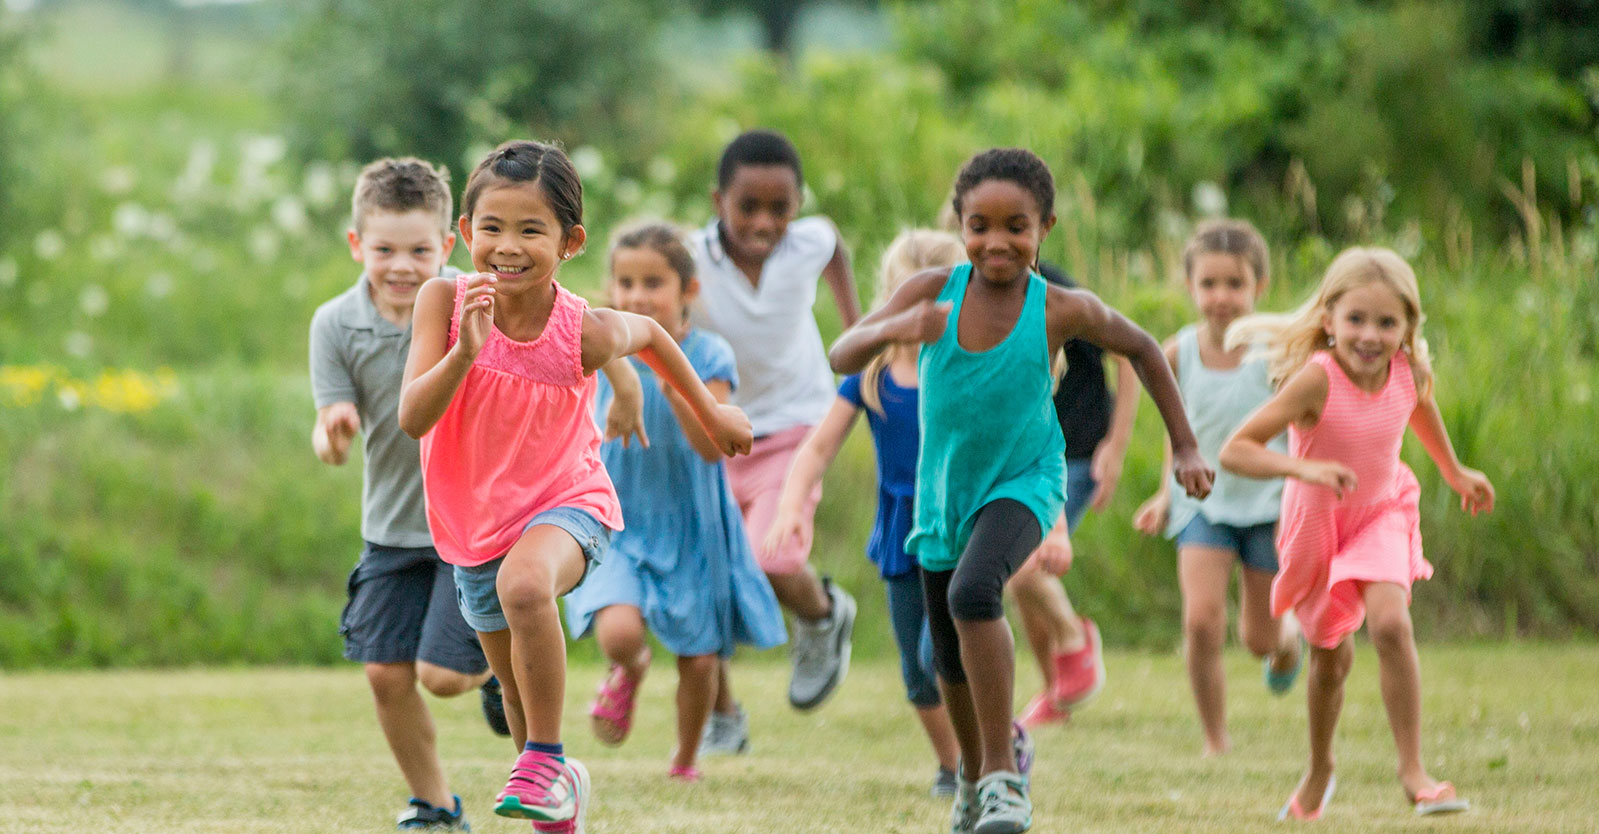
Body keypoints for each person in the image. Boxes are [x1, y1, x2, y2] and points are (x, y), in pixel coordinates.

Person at [829, 148, 1212, 834]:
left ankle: (1005, 776)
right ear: (959, 223)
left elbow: (1145, 349)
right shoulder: (929, 292)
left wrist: (1183, 444)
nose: (996, 241)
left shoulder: (1060, 308)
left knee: (973, 592)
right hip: (943, 492)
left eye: (1016, 226)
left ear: (1046, 228)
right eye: (979, 225)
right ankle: (973, 781)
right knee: (945, 649)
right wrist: (895, 328)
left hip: (1025, 480)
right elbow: (842, 355)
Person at [398, 141, 753, 832]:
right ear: (466, 232)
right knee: (515, 698)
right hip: (471, 522)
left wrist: (711, 412)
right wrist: (464, 352)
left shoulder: (578, 331)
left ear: (570, 242)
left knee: (525, 586)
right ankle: (556, 800)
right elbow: (414, 416)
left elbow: (649, 332)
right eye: (492, 228)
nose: (508, 246)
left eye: (531, 230)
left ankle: (551, 757)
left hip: (569, 503)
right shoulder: (442, 301)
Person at [1219, 247, 1494, 820]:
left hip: (1382, 511)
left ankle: (1414, 772)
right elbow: (1235, 449)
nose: (1370, 335)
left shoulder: (1409, 372)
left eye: (1387, 323)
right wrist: (1303, 468)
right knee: (1331, 664)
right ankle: (1320, 768)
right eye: (1356, 320)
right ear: (1329, 320)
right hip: (1318, 528)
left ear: (1407, 327)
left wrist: (1455, 471)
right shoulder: (1314, 382)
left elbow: (1418, 412)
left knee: (1392, 625)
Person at [308, 157, 503, 831]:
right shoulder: (334, 325)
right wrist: (332, 435)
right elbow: (329, 435)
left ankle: (500, 667)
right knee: (385, 675)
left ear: (447, 246)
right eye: (384, 248)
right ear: (357, 244)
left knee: (442, 676)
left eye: (418, 250)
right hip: (391, 528)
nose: (400, 266)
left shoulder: (475, 302)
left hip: (471, 523)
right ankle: (436, 805)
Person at [564, 222, 786, 783]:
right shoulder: (602, 345)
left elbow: (712, 452)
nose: (637, 297)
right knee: (619, 632)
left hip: (693, 523)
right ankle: (630, 668)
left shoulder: (708, 353)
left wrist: (674, 385)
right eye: (626, 283)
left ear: (688, 290)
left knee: (701, 655)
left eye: (652, 283)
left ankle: (685, 760)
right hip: (616, 518)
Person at [763, 229, 964, 797]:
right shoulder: (870, 373)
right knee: (917, 669)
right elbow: (818, 448)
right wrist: (791, 506)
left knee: (941, 650)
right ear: (889, 298)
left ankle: (992, 747)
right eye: (910, 297)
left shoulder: (964, 366)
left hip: (960, 524)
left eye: (939, 297)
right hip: (902, 531)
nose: (924, 312)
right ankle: (952, 765)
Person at [687, 129, 860, 753]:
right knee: (702, 577)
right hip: (716, 429)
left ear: (798, 203)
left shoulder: (809, 240)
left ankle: (820, 616)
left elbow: (833, 243)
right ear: (718, 201)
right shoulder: (691, 260)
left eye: (779, 208)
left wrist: (854, 328)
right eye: (747, 207)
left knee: (773, 556)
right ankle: (721, 716)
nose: (764, 222)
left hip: (797, 424)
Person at [1130, 219, 1304, 756]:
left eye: (1235, 284)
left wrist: (1308, 485)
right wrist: (1165, 494)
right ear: (1190, 286)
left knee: (1258, 638)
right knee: (1201, 622)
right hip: (1201, 503)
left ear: (1261, 285)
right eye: (1209, 284)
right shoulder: (1176, 353)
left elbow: (1303, 424)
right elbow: (1181, 434)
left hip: (1268, 504)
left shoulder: (1276, 354)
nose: (1221, 297)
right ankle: (1215, 738)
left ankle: (1287, 643)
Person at [1008, 259, 1139, 729]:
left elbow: (1125, 354)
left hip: (1076, 451)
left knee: (1024, 567)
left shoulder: (1053, 289)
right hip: (1018, 453)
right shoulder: (969, 297)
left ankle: (1073, 637)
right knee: (1021, 577)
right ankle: (1056, 693)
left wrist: (1117, 445)